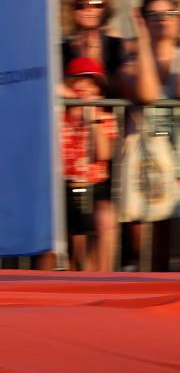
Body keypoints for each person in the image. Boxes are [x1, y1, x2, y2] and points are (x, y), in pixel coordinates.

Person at [56, 58, 120, 271]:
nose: (85, 86)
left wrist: (91, 117)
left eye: (91, 82)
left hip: (93, 189)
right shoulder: (58, 115)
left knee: (105, 220)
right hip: (63, 188)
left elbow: (103, 153)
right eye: (79, 80)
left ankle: (102, 283)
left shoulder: (104, 118)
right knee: (74, 253)